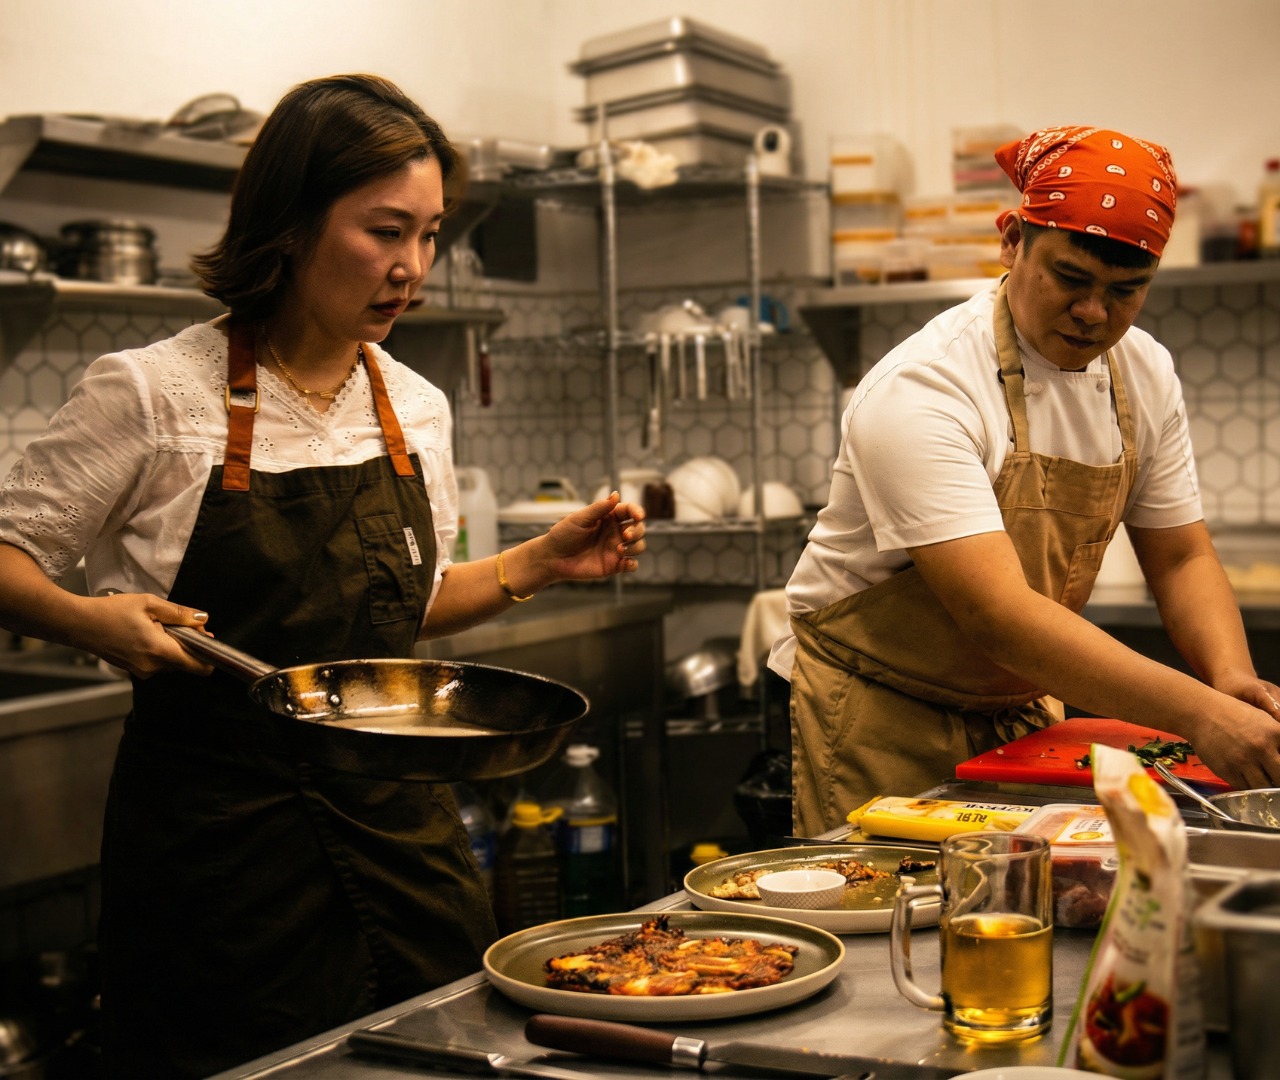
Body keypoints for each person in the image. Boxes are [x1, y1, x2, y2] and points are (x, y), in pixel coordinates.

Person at [0, 74, 646, 1077]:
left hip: (404, 838)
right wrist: (92, 621)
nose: (412, 268)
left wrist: (536, 564)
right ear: (292, 223)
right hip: (222, 857)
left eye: (429, 235)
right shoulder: (154, 394)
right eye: (386, 231)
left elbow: (400, 619)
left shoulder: (414, 405)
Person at [770, 125, 1280, 836]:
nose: (1095, 312)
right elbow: (998, 615)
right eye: (1071, 278)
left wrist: (1230, 680)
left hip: (1025, 708)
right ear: (1012, 241)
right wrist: (1199, 713)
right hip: (881, 713)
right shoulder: (925, 388)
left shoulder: (1145, 373)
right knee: (899, 921)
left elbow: (1181, 554)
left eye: (1126, 291)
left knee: (1036, 913)